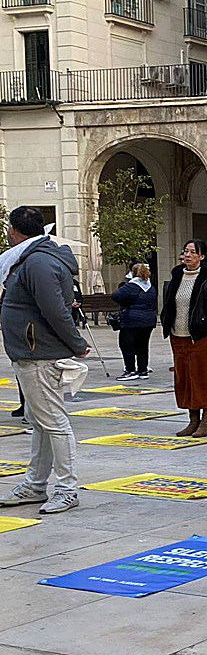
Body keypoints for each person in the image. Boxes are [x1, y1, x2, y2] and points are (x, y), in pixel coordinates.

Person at [0, 206, 89, 515]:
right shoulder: (33, 257)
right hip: (32, 352)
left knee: (53, 422)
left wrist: (77, 344)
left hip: (39, 354)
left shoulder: (36, 261)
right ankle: (36, 484)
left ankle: (66, 488)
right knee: (42, 422)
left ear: (14, 230)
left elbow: (55, 310)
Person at [161, 239, 207, 438]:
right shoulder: (177, 276)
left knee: (205, 379)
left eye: (192, 252)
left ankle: (206, 421)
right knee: (186, 379)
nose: (187, 255)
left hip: (203, 337)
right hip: (178, 336)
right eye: (186, 251)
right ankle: (193, 420)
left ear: (202, 256)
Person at [112, 264, 157, 380]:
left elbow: (116, 296)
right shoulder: (151, 287)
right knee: (143, 345)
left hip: (131, 319)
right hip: (148, 320)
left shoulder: (132, 286)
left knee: (127, 345)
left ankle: (130, 370)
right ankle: (143, 370)